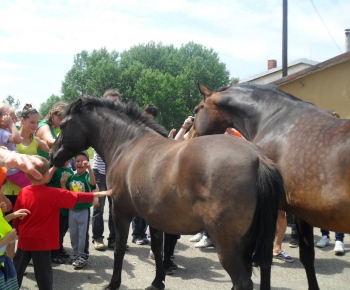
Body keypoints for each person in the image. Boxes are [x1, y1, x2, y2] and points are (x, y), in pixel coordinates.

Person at [12, 155, 112, 290]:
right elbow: (77, 196)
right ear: (46, 174)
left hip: (24, 239)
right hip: (42, 242)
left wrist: (18, 231)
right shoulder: (53, 193)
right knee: (44, 275)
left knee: (17, 270)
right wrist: (102, 193)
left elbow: (17, 216)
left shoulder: (23, 192)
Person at [92, 89, 121, 251]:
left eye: (116, 103)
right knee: (98, 207)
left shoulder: (121, 123)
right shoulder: (99, 122)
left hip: (115, 172)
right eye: (110, 102)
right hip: (100, 171)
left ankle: (114, 239)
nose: (113, 105)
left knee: (115, 208)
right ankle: (97, 238)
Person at [61, 151, 96, 268]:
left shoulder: (86, 176)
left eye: (83, 161)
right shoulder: (72, 176)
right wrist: (63, 185)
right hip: (72, 210)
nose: (80, 163)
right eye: (78, 161)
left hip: (83, 210)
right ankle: (76, 253)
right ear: (74, 163)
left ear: (87, 163)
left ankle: (83, 255)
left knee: (82, 234)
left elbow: (93, 183)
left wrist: (90, 169)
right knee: (73, 234)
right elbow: (67, 193)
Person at [131, 104, 158, 246]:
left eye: (152, 119)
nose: (149, 120)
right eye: (148, 117)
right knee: (138, 206)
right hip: (137, 169)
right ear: (144, 112)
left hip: (147, 169)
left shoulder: (151, 129)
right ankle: (136, 234)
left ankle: (142, 233)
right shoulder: (135, 126)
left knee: (146, 205)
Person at [46, 160, 74, 264]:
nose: (66, 160)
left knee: (63, 229)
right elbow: (46, 181)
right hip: (56, 205)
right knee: (57, 231)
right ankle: (54, 253)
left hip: (66, 205)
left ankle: (59, 248)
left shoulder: (70, 170)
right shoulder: (54, 170)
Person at [0, 105, 31, 188]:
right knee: (30, 184)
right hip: (12, 170)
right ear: (2, 120)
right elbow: (18, 140)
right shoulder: (2, 132)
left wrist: (10, 124)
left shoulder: (4, 131)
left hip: (12, 167)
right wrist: (11, 124)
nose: (15, 120)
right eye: (12, 118)